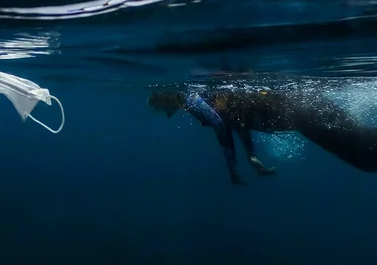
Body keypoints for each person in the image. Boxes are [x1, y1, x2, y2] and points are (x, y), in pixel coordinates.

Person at [147, 86, 377, 185]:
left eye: (160, 107)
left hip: (300, 112)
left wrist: (233, 166)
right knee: (363, 152)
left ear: (165, 97)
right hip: (299, 115)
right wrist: (252, 156)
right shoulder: (195, 100)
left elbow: (220, 123)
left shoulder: (192, 99)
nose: (166, 115)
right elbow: (236, 120)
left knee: (363, 153)